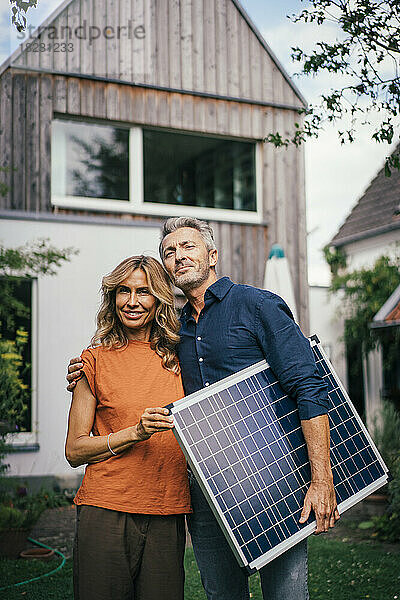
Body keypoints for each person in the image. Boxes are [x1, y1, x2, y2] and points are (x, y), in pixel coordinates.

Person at [68, 217, 340, 600]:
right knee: (222, 594)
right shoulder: (174, 332)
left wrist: (321, 479)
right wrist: (83, 371)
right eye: (169, 252)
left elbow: (308, 386)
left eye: (188, 247)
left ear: (213, 255)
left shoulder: (257, 305)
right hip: (206, 489)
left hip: (272, 481)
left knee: (286, 595)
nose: (178, 256)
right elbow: (128, 365)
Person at [65, 255, 191, 600]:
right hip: (106, 508)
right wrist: (135, 432)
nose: (132, 302)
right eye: (124, 291)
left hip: (167, 509)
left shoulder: (184, 358)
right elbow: (74, 451)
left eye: (144, 292)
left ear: (159, 299)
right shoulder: (93, 360)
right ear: (113, 297)